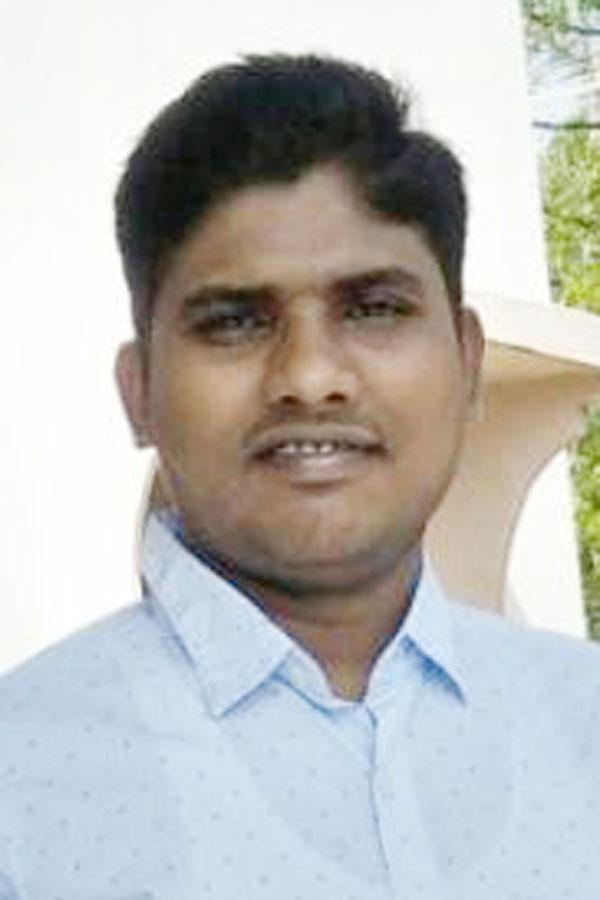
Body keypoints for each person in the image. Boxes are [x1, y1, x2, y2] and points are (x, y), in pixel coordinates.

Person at [1, 54, 599, 900]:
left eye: (374, 308)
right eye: (235, 321)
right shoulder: (21, 788)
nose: (311, 376)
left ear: (467, 365)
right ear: (139, 393)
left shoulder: (583, 722)